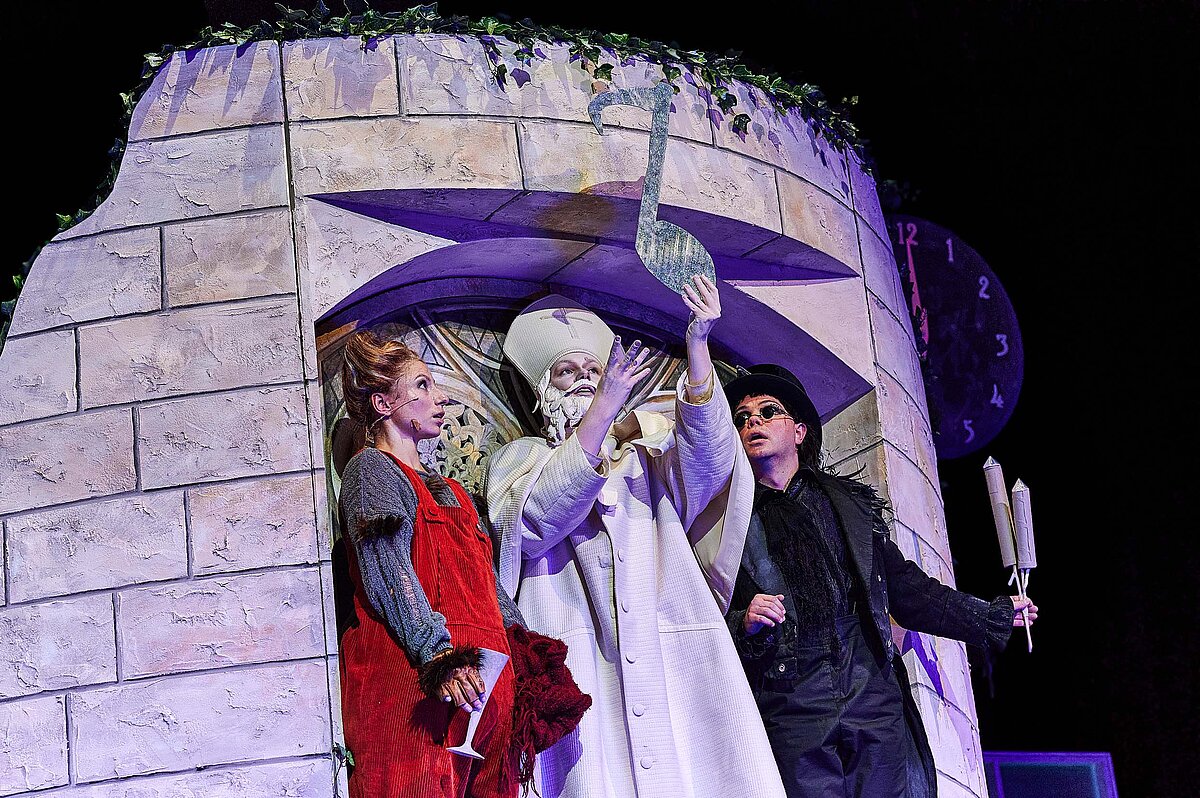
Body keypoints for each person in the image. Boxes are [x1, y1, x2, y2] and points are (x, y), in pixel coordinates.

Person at [486, 276, 787, 798]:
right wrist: (603, 408)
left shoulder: (645, 456)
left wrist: (698, 347)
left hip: (671, 655)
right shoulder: (523, 459)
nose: (585, 380)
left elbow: (711, 464)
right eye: (567, 371)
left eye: (593, 370)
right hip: (579, 657)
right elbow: (534, 521)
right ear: (543, 390)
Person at [723, 364, 1039, 798]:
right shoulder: (728, 522)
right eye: (742, 418)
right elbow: (704, 617)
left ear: (798, 432)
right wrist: (743, 620)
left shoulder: (846, 506)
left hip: (865, 679)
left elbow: (909, 589)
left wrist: (989, 616)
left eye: (767, 411)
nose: (752, 422)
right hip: (791, 692)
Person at [336, 329, 588, 798]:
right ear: (382, 403)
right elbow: (388, 570)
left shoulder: (454, 493)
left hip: (484, 690)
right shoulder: (371, 471)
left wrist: (523, 654)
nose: (442, 397)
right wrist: (438, 657)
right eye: (422, 385)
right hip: (421, 687)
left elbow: (487, 586)